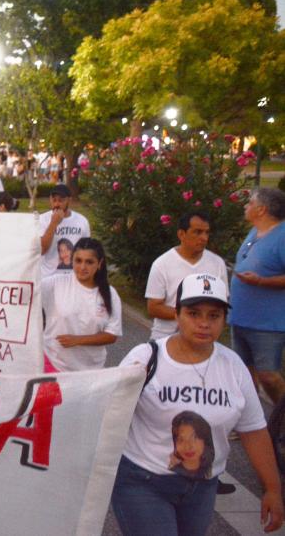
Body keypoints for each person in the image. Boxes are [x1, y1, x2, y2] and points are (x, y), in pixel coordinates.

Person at [112, 273, 283, 535]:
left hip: (202, 489)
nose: (204, 323)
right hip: (143, 481)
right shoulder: (146, 358)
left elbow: (253, 430)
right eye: (194, 313)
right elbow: (107, 411)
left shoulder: (233, 366)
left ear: (224, 320)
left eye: (214, 315)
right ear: (177, 314)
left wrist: (273, 489)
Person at [230, 187, 285, 405]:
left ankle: (281, 420)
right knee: (244, 375)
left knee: (268, 376)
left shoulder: (281, 236)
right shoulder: (255, 231)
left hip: (267, 324)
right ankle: (251, 422)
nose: (246, 206)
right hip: (240, 318)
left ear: (261, 209)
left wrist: (261, 282)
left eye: (250, 203)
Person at [146, 211, 228, 341]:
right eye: (197, 232)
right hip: (165, 339)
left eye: (207, 232)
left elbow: (223, 304)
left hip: (204, 340)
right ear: (181, 234)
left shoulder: (217, 263)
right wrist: (190, 316)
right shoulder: (162, 264)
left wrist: (203, 319)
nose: (204, 238)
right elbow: (153, 307)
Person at [42, 238, 121, 372]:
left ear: (99, 263)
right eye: (78, 260)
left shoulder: (110, 294)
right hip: (54, 364)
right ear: (72, 260)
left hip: (91, 371)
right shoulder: (55, 283)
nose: (82, 267)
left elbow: (112, 334)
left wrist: (78, 340)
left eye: (89, 262)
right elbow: (25, 291)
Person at [39, 184, 90, 278]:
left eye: (61, 200)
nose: (57, 204)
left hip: (73, 277)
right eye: (54, 200)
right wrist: (53, 223)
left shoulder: (82, 221)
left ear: (69, 200)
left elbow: (86, 251)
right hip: (48, 277)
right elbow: (41, 250)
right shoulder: (42, 220)